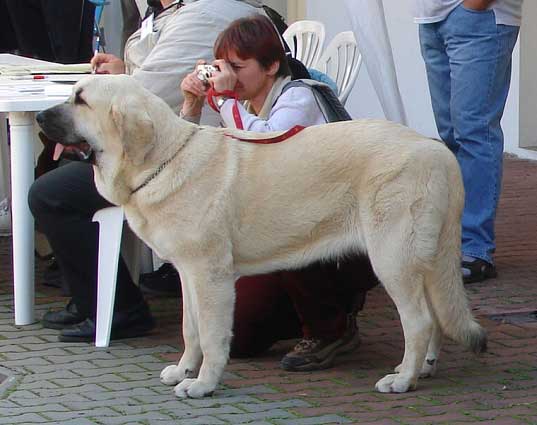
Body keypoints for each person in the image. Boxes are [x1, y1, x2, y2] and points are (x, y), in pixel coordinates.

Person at [28, 0, 265, 342]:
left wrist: (118, 87)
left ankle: (118, 309)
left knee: (51, 194)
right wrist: (124, 73)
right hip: (172, 153)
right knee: (55, 179)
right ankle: (93, 301)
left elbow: (144, 95)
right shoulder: (182, 12)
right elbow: (149, 86)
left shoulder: (201, 16)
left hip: (174, 163)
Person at [180, 14, 378, 371]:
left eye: (237, 67)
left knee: (286, 225)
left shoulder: (299, 96)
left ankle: (330, 328)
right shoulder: (245, 104)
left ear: (272, 65)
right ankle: (310, 311)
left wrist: (225, 101)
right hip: (282, 239)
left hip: (342, 236)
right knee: (240, 336)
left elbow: (265, 142)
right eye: (223, 67)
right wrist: (193, 104)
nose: (229, 77)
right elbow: (189, 157)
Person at [414, 0, 523, 283]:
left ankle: (475, 249)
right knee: (452, 135)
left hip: (479, 17)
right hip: (430, 18)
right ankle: (455, 243)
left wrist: (474, 5)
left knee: (474, 133)